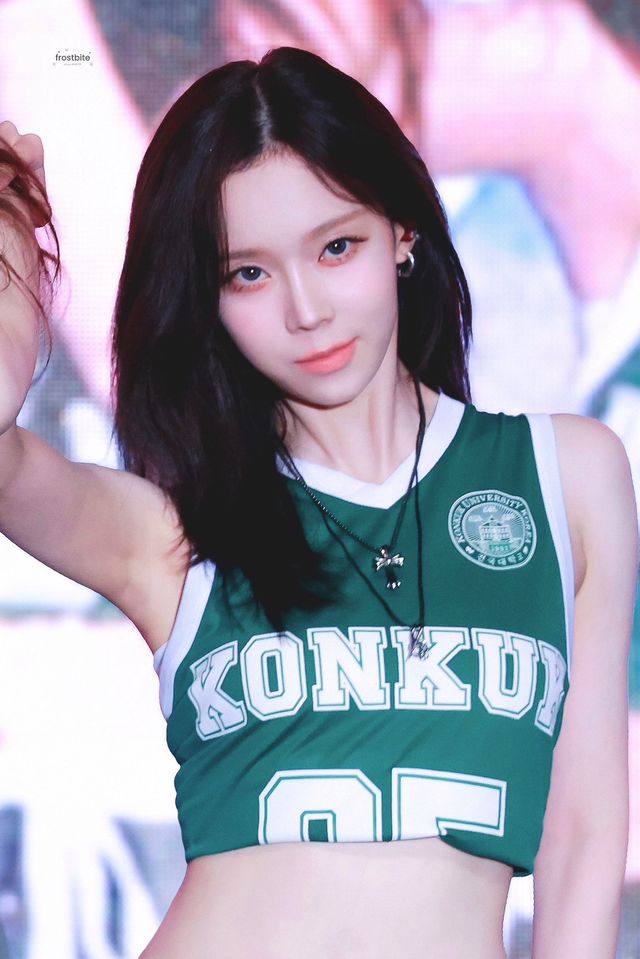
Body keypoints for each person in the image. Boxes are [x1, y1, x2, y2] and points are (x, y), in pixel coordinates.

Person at [0, 45, 636, 959]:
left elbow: (583, 832)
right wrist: (12, 317)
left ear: (403, 231)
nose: (306, 310)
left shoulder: (563, 475)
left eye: (337, 247)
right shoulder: (172, 534)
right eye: (248, 274)